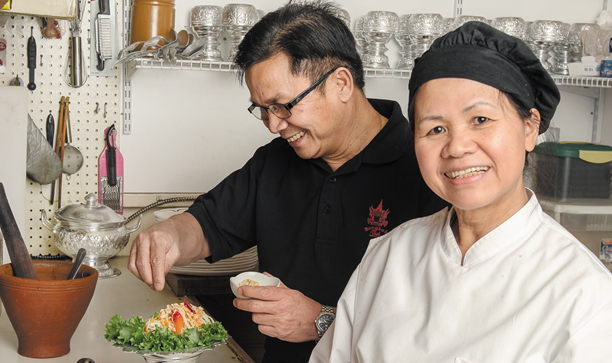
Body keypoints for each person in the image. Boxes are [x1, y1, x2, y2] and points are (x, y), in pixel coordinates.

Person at [127, 1, 448, 362]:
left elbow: (439, 326)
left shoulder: (427, 171)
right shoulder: (277, 160)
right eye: (262, 109)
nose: (273, 125)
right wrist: (168, 235)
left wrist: (323, 321)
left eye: (283, 105)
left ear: (340, 83)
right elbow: (207, 224)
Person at [310, 21, 612, 363]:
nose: (457, 147)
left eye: (480, 120)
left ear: (529, 128)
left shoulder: (586, 295)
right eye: (435, 128)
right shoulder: (387, 256)